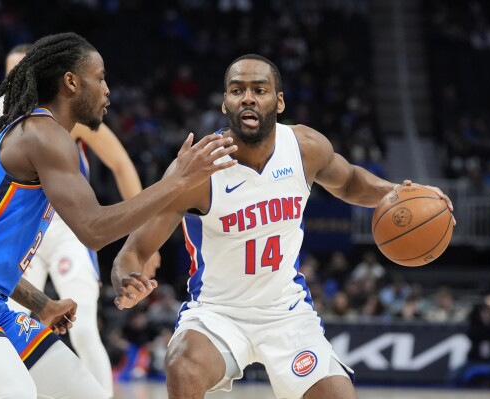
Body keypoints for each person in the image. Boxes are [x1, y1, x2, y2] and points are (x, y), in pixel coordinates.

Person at [0, 32, 237, 399]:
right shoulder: (42, 134)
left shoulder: (49, 136)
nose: (108, 90)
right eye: (100, 78)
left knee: (88, 395)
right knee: (12, 391)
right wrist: (175, 180)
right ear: (71, 82)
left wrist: (42, 303)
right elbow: (93, 230)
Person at [111, 54, 455, 399]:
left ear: (278, 101)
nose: (247, 97)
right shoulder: (196, 170)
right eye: (237, 90)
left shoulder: (304, 148)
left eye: (259, 89)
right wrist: (127, 281)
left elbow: (350, 182)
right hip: (218, 313)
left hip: (286, 313)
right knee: (182, 364)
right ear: (224, 103)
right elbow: (134, 251)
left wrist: (399, 193)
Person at [0, 43, 144, 399]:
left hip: (67, 232)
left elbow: (121, 164)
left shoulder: (62, 116)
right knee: (17, 327)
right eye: (11, 72)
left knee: (81, 329)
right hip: (20, 239)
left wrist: (142, 237)